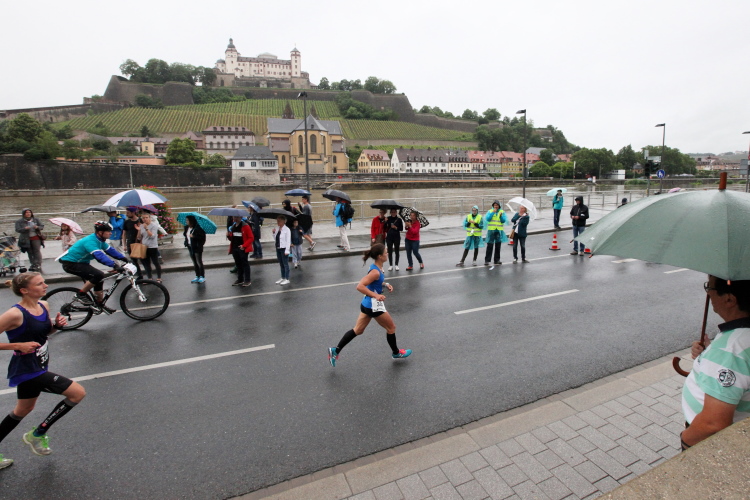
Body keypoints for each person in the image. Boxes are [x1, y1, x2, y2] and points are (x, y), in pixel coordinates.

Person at [0, 273, 86, 469]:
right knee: (77, 393)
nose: (45, 285)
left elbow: (42, 333)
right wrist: (17, 345)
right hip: (27, 369)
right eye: (39, 284)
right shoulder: (15, 314)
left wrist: (55, 326)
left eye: (43, 282)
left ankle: (35, 435)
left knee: (23, 410)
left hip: (40, 363)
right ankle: (38, 434)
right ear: (25, 290)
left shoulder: (43, 305)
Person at [681, 276, 750, 450]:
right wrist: (709, 354)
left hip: (704, 438)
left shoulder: (732, 348)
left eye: (709, 287)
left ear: (729, 299)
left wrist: (686, 440)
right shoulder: (740, 339)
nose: (708, 294)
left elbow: (713, 423)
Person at [327, 244, 412, 367]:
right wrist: (376, 295)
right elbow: (360, 286)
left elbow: (374, 283)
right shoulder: (375, 272)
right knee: (391, 328)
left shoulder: (376, 268)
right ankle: (396, 353)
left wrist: (385, 284)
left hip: (366, 304)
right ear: (380, 256)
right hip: (373, 305)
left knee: (358, 330)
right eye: (386, 252)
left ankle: (335, 350)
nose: (387, 254)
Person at [60, 221, 133, 315]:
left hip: (81, 263)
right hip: (71, 263)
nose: (110, 233)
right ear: (100, 232)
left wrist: (124, 258)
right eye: (108, 231)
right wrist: (114, 265)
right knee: (98, 275)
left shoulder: (100, 240)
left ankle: (99, 304)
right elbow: (99, 256)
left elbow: (110, 250)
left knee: (99, 279)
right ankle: (80, 295)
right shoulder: (90, 241)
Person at [227, 215, 253, 287]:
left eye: (236, 217)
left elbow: (251, 238)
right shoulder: (233, 226)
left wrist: (244, 245)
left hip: (242, 248)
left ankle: (247, 280)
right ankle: (240, 279)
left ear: (240, 217)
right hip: (235, 248)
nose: (234, 218)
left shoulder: (245, 226)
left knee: (245, 264)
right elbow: (232, 238)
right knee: (238, 264)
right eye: (233, 217)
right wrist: (228, 236)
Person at [137, 213, 162, 283]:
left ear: (149, 218)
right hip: (144, 246)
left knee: (155, 262)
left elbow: (152, 236)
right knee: (146, 263)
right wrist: (139, 230)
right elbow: (139, 238)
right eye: (143, 218)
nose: (145, 219)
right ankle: (149, 278)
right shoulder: (141, 226)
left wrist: (146, 228)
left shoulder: (154, 225)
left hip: (152, 246)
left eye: (146, 217)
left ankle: (159, 277)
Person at [483, 200, 507, 266]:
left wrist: (501, 216)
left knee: (498, 246)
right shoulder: (490, 211)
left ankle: (497, 260)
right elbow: (487, 219)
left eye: (497, 205)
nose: (496, 206)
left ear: (499, 206)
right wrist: (492, 213)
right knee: (490, 245)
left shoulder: (502, 212)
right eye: (495, 205)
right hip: (491, 230)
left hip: (498, 230)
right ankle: (487, 260)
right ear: (493, 206)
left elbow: (503, 221)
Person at [183, 215, 206, 284]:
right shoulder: (187, 227)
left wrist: (194, 236)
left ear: (191, 221)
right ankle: (197, 275)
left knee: (199, 261)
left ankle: (202, 276)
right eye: (186, 220)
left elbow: (202, 238)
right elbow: (186, 236)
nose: (186, 221)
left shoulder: (198, 228)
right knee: (194, 262)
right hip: (190, 247)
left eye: (187, 220)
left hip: (197, 247)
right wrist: (186, 242)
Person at [121, 207, 143, 278]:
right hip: (130, 243)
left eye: (128, 213)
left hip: (139, 243)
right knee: (134, 260)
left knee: (143, 260)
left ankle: (148, 276)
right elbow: (124, 234)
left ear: (133, 212)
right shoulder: (126, 222)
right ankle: (139, 275)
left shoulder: (140, 220)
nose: (126, 214)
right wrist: (124, 245)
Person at [271, 215, 291, 285]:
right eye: (277, 221)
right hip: (278, 248)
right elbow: (276, 239)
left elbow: (288, 241)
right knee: (281, 264)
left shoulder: (287, 229)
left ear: (283, 221)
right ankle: (283, 277)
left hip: (284, 248)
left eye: (279, 221)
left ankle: (287, 278)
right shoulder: (277, 228)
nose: (278, 222)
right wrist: (273, 233)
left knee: (285, 264)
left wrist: (287, 250)